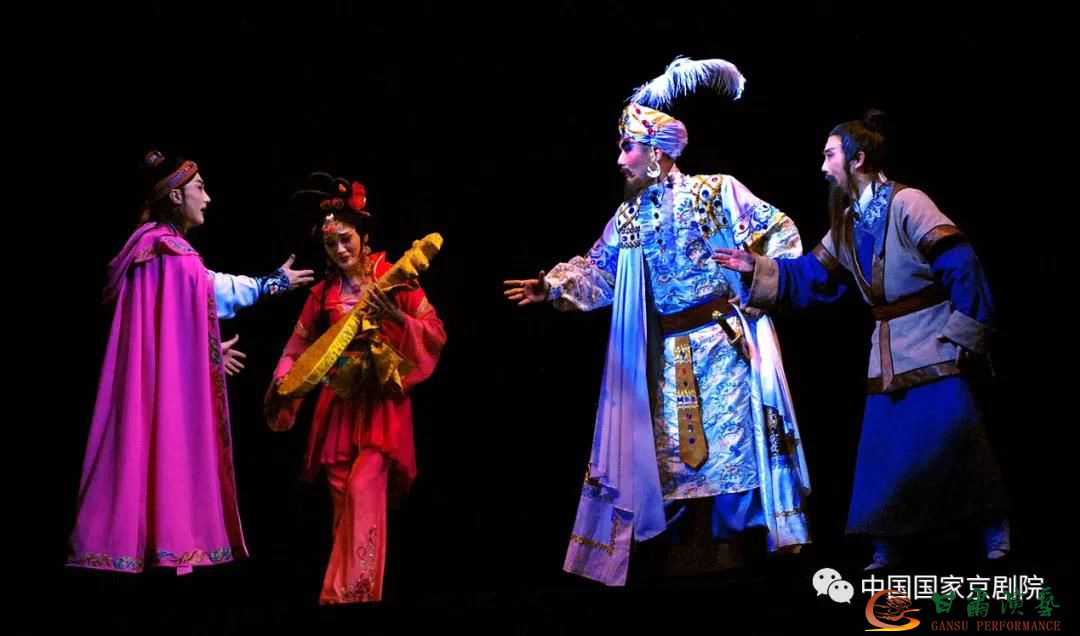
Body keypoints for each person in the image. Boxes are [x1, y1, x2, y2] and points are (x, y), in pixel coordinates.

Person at [503, 58, 811, 586]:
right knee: (672, 467)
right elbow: (599, 273)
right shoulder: (628, 218)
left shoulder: (716, 192)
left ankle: (744, 574)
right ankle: (685, 573)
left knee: (733, 456)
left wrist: (757, 280)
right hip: (667, 358)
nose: (619, 159)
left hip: (723, 348)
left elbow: (781, 234)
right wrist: (552, 286)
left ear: (657, 153)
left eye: (628, 147)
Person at [713, 111, 1010, 569]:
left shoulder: (908, 202)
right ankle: (887, 545)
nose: (823, 166)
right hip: (887, 350)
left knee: (957, 445)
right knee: (885, 454)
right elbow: (813, 275)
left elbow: (959, 261)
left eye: (830, 155)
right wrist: (759, 267)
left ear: (858, 160)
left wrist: (964, 333)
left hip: (932, 340)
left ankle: (995, 530)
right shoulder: (849, 221)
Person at [67, 149, 314, 574]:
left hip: (143, 376)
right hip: (149, 379)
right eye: (200, 188)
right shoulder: (167, 250)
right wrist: (272, 283)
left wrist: (205, 348)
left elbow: (168, 323)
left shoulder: (146, 247)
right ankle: (159, 543)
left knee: (138, 445)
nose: (208, 198)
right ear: (176, 196)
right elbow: (208, 291)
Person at [264, 173, 446, 603]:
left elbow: (435, 332)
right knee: (342, 497)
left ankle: (346, 596)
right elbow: (296, 347)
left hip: (381, 403)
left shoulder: (394, 277)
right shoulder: (322, 293)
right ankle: (350, 595)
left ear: (365, 238)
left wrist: (397, 318)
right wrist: (285, 378)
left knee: (364, 491)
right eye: (331, 244)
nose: (340, 250)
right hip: (339, 406)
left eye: (346, 240)